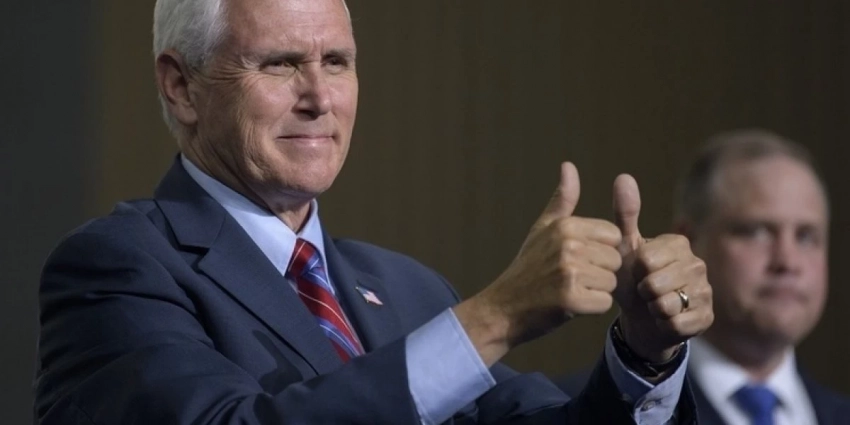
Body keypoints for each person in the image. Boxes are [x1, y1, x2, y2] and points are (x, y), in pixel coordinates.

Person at [33, 0, 713, 423]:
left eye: (337, 62)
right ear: (182, 86)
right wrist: (497, 317)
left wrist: (644, 352)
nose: (319, 98)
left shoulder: (410, 290)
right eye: (280, 64)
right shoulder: (117, 268)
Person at [557, 129, 850, 424]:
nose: (787, 261)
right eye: (756, 231)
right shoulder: (578, 414)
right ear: (688, 243)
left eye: (806, 236)